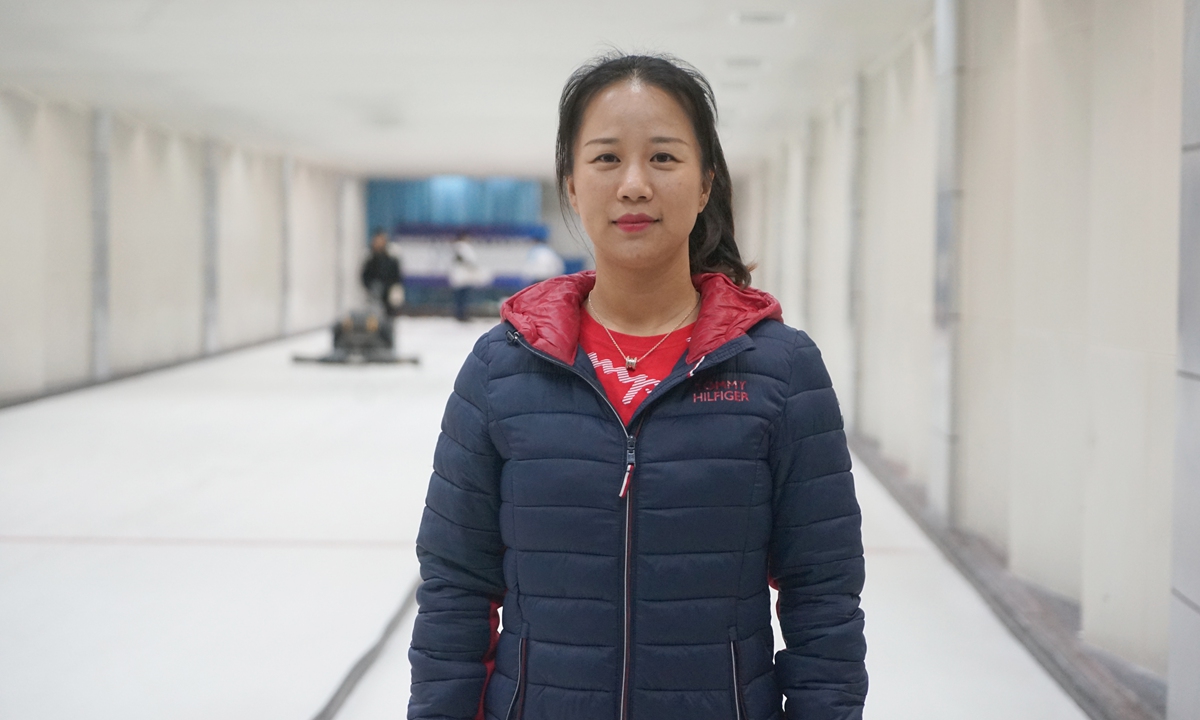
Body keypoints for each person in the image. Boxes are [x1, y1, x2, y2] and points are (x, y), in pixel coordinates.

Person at [408, 54, 866, 720]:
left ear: (707, 183)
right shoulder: (500, 369)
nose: (633, 185)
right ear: (570, 183)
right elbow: (455, 588)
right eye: (604, 159)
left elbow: (822, 594)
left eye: (663, 158)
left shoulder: (780, 368)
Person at [360, 229, 404, 316]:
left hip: (388, 296)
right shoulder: (370, 259)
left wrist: (389, 287)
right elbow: (364, 275)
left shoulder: (391, 258)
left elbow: (397, 276)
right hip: (374, 295)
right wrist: (371, 286)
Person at [447, 233, 485, 321]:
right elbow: (466, 261)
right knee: (462, 297)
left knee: (462, 297)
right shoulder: (461, 247)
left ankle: (461, 314)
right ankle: (460, 315)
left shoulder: (458, 247)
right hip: (462, 276)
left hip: (462, 276)